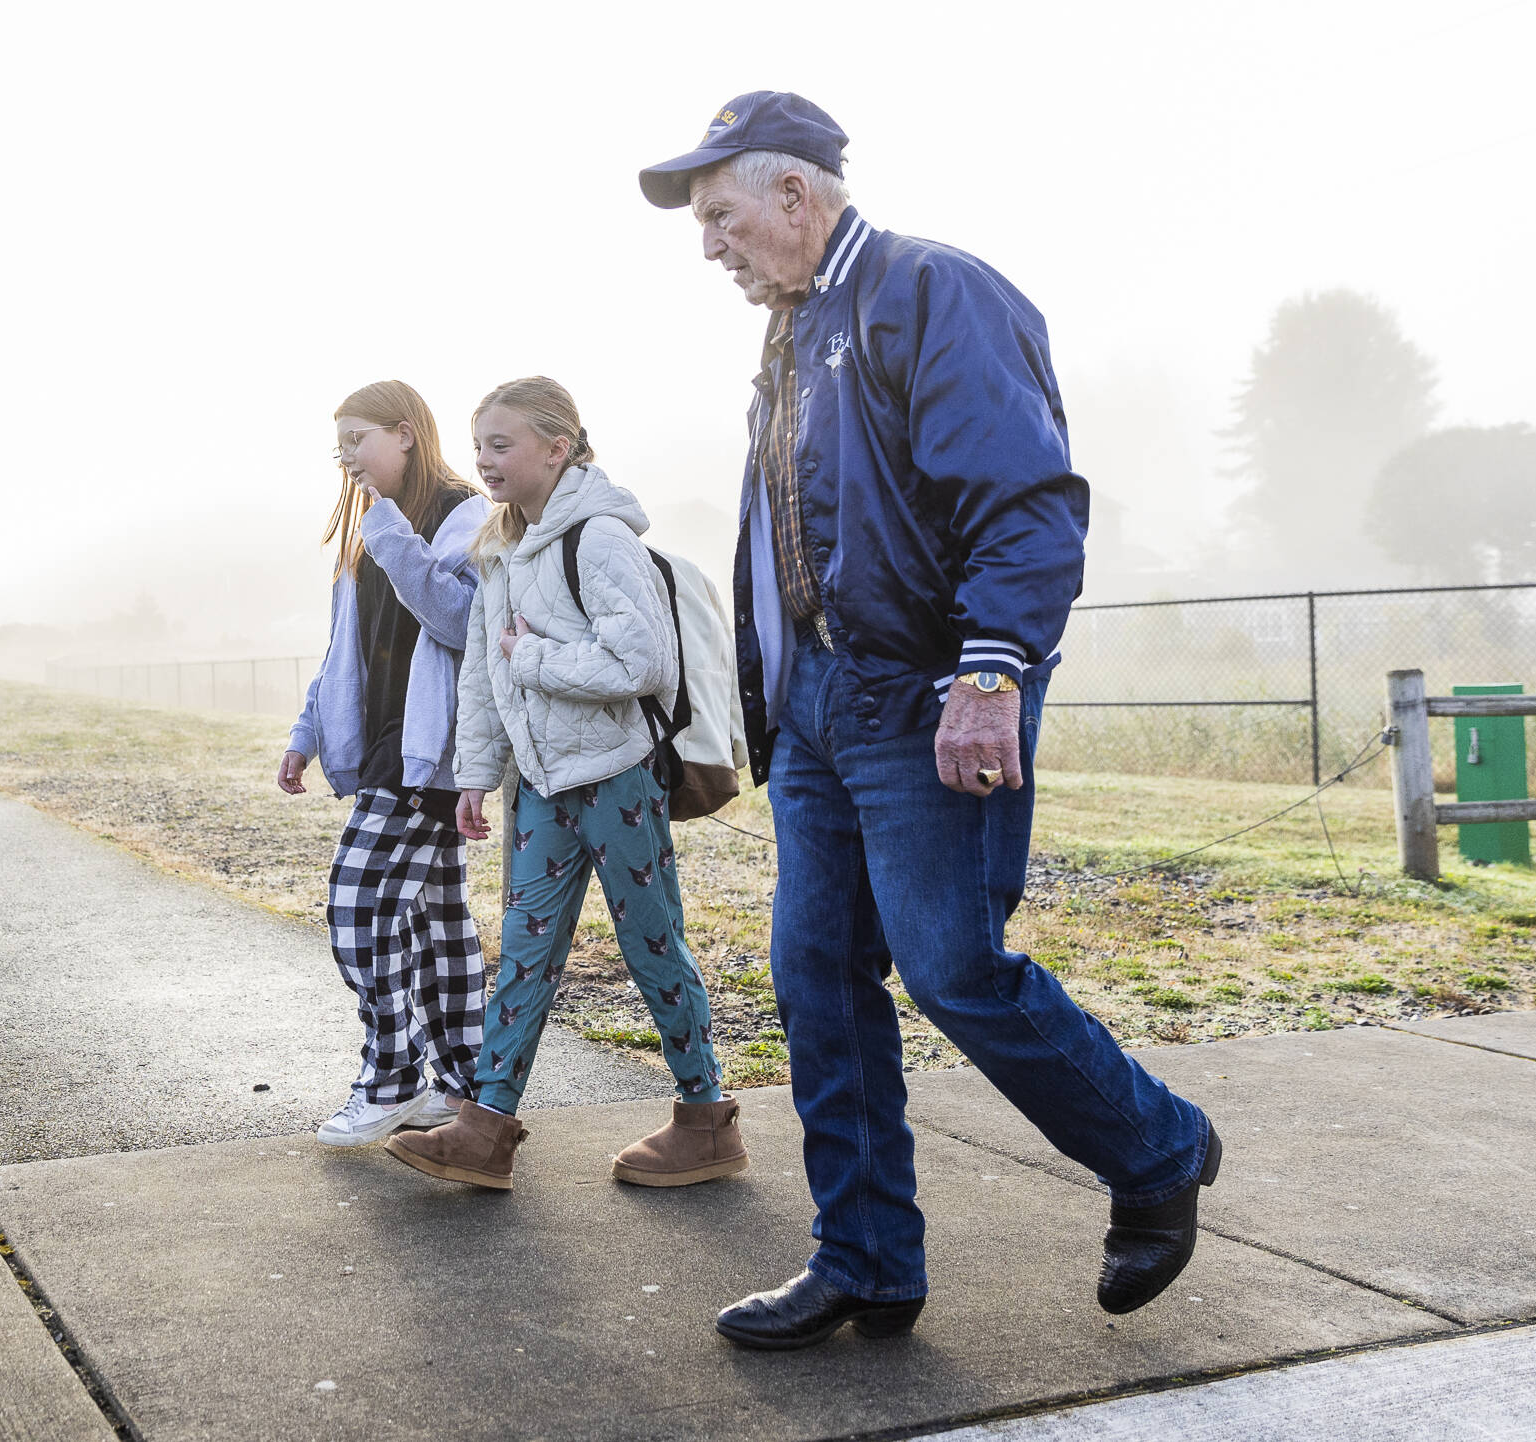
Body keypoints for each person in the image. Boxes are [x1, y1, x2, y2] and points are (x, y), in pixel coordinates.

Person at [638, 93, 1221, 1349]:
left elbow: (1024, 500)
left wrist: (991, 672)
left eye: (721, 214)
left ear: (795, 195)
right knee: (818, 980)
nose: (710, 245)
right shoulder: (794, 337)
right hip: (817, 717)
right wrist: (766, 703)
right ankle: (863, 1258)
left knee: (952, 964)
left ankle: (1158, 1145)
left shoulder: (930, 291)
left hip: (925, 697)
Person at [384, 376, 747, 1192]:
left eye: (501, 445)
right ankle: (485, 1129)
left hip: (616, 778)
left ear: (557, 447)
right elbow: (481, 669)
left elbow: (641, 663)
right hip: (540, 785)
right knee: (521, 953)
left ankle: (706, 1120)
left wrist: (534, 657)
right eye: (478, 446)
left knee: (653, 945)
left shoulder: (602, 539)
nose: (483, 461)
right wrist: (476, 774)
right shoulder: (499, 547)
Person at [281, 380, 489, 1147]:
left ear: (404, 434)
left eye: (356, 441)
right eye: (337, 448)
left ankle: (395, 1078)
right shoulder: (369, 528)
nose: (346, 459)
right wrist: (306, 732)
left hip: (428, 756)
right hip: (381, 753)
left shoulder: (463, 513)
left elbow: (461, 617)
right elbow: (346, 651)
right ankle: (465, 1087)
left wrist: (393, 531)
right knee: (438, 927)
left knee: (355, 906)